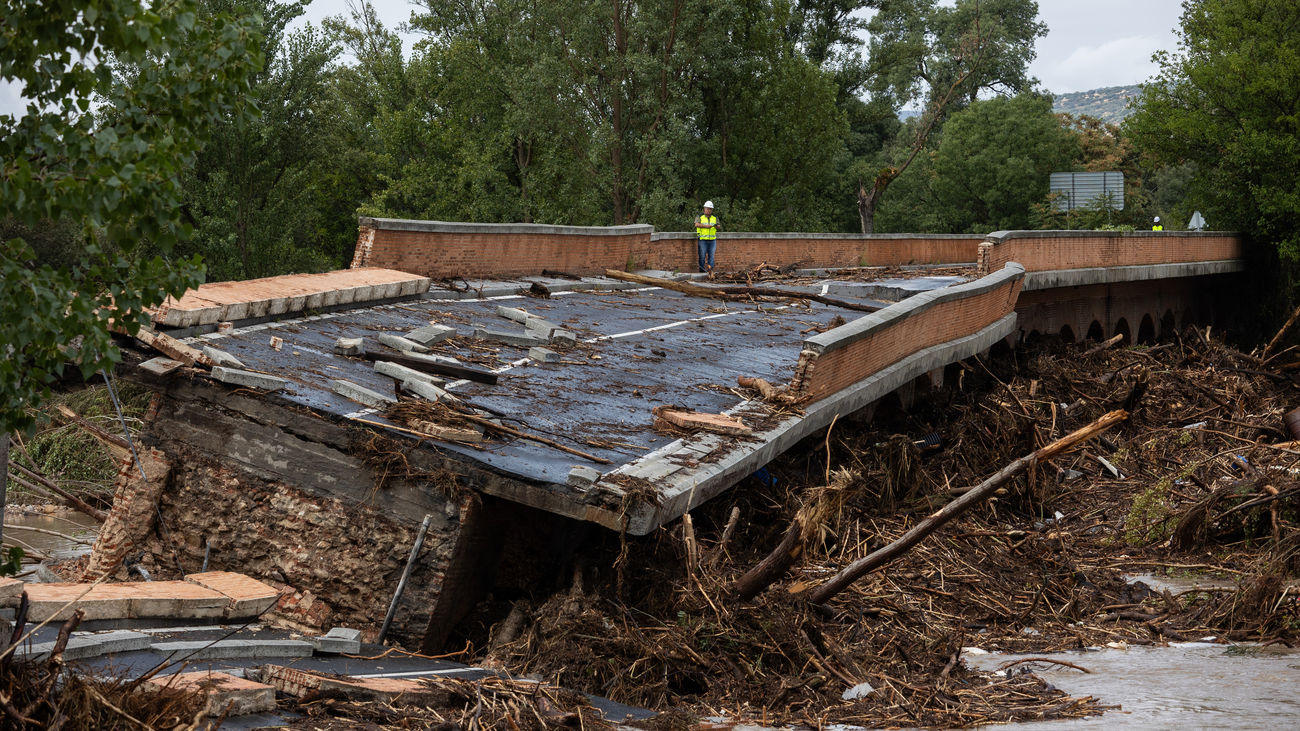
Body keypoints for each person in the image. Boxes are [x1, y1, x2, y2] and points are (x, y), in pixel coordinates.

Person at [694, 201, 718, 273]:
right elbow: (696, 224)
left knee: (711, 256)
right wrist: (706, 226)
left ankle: (710, 271)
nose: (709, 210)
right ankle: (702, 271)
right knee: (702, 256)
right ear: (704, 209)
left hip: (712, 240)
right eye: (707, 208)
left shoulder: (715, 217)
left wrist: (716, 226)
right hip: (702, 239)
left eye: (710, 209)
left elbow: (719, 225)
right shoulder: (699, 216)